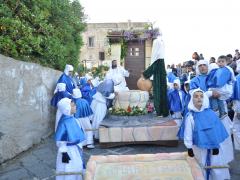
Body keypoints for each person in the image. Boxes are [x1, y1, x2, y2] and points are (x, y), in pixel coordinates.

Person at [183, 89, 230, 180]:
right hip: (199, 147)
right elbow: (188, 133)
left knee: (216, 166)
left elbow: (216, 129)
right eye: (196, 96)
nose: (199, 98)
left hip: (213, 147)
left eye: (201, 96)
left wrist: (216, 146)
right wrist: (189, 147)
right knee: (201, 166)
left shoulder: (211, 113)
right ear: (192, 100)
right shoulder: (190, 116)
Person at [55, 98, 86, 180]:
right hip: (68, 151)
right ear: (67, 108)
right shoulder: (64, 122)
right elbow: (60, 140)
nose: (75, 106)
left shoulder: (74, 119)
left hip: (75, 149)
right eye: (73, 105)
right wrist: (64, 152)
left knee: (76, 166)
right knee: (68, 168)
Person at [142, 33, 169, 117]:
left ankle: (159, 112)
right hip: (162, 77)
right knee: (163, 94)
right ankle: (164, 112)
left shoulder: (158, 59)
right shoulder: (162, 59)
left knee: (157, 94)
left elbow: (153, 67)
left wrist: (144, 75)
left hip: (158, 77)